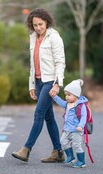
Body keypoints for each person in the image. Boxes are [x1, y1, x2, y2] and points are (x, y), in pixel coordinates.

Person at [11, 8, 66, 163]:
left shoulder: (54, 37)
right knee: (49, 118)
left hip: (50, 82)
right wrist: (32, 85)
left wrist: (57, 84)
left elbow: (60, 62)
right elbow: (32, 65)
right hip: (39, 82)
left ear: (46, 22)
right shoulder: (34, 38)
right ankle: (58, 152)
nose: (38, 27)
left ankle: (26, 149)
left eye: (40, 24)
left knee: (39, 114)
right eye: (35, 25)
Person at [49, 79, 87, 168]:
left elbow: (84, 116)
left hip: (76, 130)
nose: (66, 97)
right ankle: (70, 157)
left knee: (77, 145)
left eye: (69, 95)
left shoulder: (81, 105)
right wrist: (54, 97)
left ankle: (81, 161)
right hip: (67, 129)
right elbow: (61, 102)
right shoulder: (67, 104)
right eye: (66, 94)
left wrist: (81, 126)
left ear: (76, 95)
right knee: (63, 141)